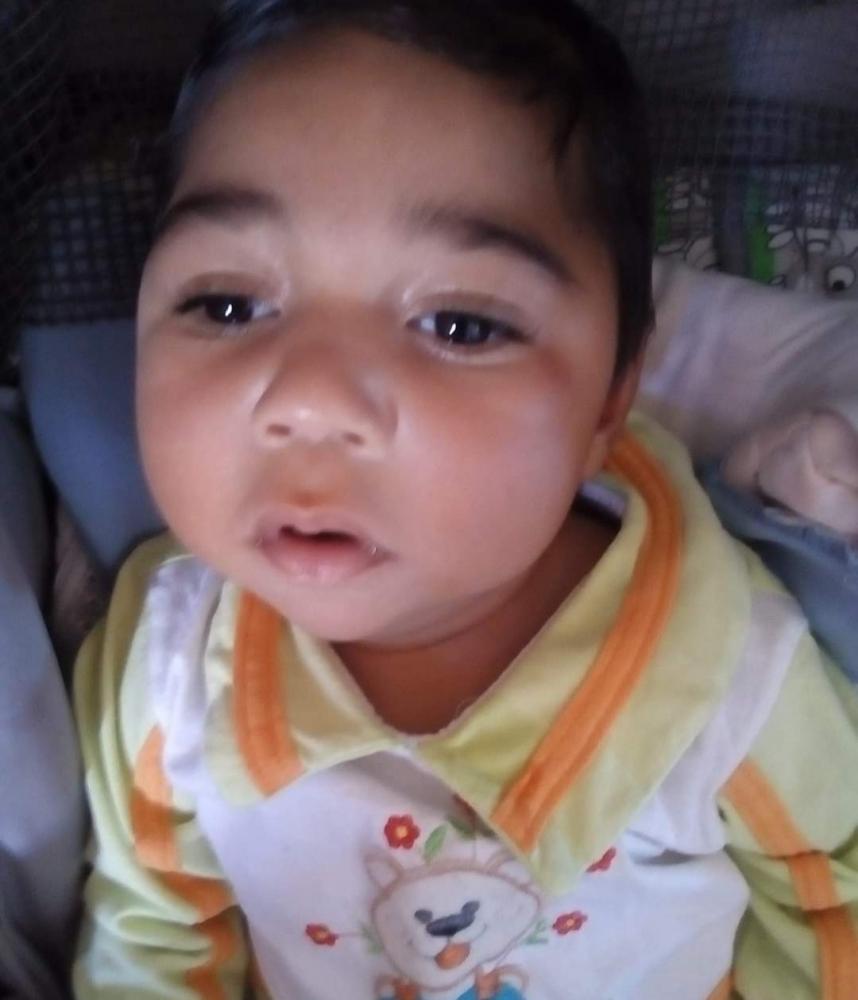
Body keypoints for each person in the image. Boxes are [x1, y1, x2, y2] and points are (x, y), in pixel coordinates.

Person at [72, 2, 858, 998]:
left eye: (459, 325)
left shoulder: (725, 677)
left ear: (609, 401)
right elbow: (152, 928)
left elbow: (831, 907)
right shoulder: (173, 659)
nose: (310, 399)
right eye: (227, 305)